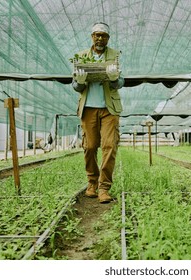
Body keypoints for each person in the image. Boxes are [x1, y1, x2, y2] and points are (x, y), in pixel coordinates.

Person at [72, 22, 124, 203]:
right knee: (90, 146)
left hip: (109, 109)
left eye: (103, 35)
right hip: (88, 108)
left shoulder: (114, 55)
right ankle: (92, 183)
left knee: (110, 146)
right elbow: (76, 86)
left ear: (108, 38)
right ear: (92, 36)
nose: (100, 38)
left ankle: (104, 187)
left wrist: (115, 79)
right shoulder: (81, 56)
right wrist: (79, 81)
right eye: (97, 35)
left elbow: (120, 82)